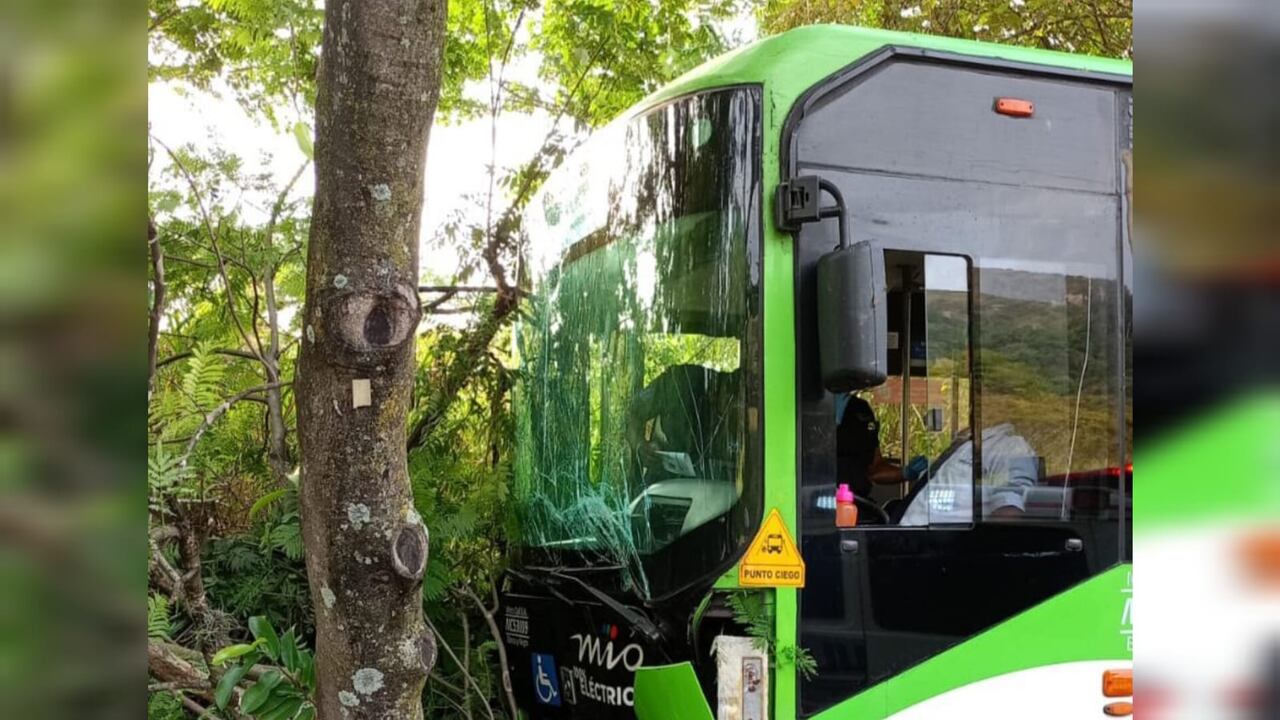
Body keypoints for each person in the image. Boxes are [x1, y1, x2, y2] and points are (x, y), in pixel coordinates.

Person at [626, 364, 740, 481]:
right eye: (733, 405)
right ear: (727, 389)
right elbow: (632, 414)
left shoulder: (750, 437)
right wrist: (640, 445)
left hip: (715, 492)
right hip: (663, 486)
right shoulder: (679, 382)